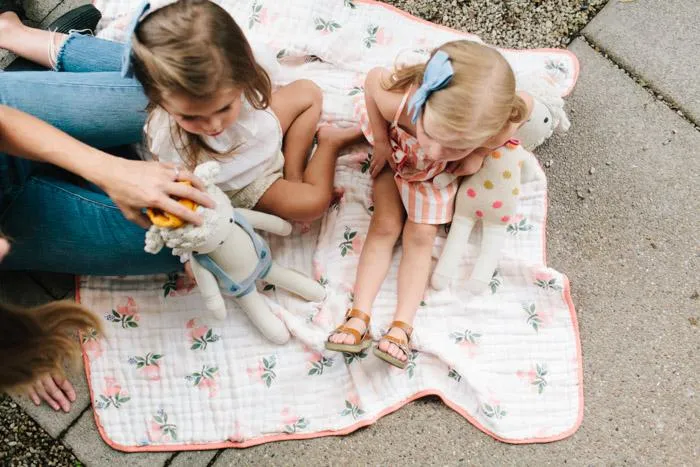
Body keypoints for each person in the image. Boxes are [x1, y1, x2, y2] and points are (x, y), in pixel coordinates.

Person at [325, 40, 533, 369]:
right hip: (397, 157)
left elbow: (525, 106)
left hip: (433, 179)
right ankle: (357, 316)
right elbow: (372, 81)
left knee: (421, 237)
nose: (437, 150)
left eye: (455, 146)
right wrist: (380, 141)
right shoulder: (402, 104)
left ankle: (401, 327)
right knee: (384, 225)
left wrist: (478, 153)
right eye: (431, 134)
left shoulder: (491, 126)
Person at [126, 0, 361, 223]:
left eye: (224, 107)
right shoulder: (166, 135)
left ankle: (293, 171)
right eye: (191, 117)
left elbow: (270, 84)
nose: (213, 125)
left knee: (308, 92)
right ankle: (329, 143)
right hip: (244, 181)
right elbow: (179, 186)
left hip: (259, 132)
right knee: (312, 204)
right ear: (161, 102)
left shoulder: (245, 66)